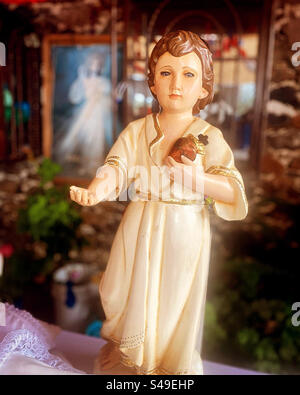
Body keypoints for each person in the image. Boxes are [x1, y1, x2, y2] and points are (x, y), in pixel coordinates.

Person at [70, 30, 248, 375]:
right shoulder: (137, 130)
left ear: (204, 88)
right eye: (166, 73)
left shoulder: (209, 137)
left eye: (188, 74)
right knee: (120, 290)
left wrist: (195, 180)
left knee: (172, 301)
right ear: (152, 83)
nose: (176, 84)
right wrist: (96, 189)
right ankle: (129, 359)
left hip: (184, 229)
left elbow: (232, 189)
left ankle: (167, 364)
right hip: (139, 223)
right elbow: (116, 166)